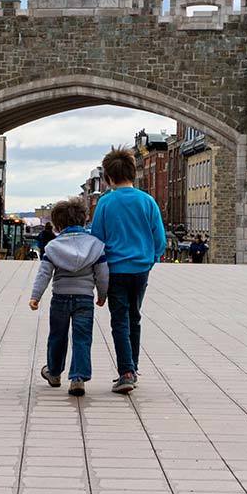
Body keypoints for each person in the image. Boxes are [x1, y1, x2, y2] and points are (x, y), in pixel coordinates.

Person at [90, 147, 166, 394]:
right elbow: (160, 239)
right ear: (133, 173)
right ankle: (132, 367)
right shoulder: (148, 202)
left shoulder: (105, 202)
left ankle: (126, 371)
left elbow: (97, 238)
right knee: (135, 316)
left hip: (115, 269)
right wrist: (150, 259)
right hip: (141, 269)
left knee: (119, 319)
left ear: (108, 178)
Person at [28, 198, 108, 397]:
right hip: (84, 299)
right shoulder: (96, 246)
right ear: (83, 220)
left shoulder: (53, 247)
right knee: (82, 338)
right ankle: (78, 378)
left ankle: (54, 373)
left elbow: (44, 273)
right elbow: (103, 273)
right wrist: (102, 293)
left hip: (60, 298)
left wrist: (35, 296)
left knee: (57, 336)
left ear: (58, 224)